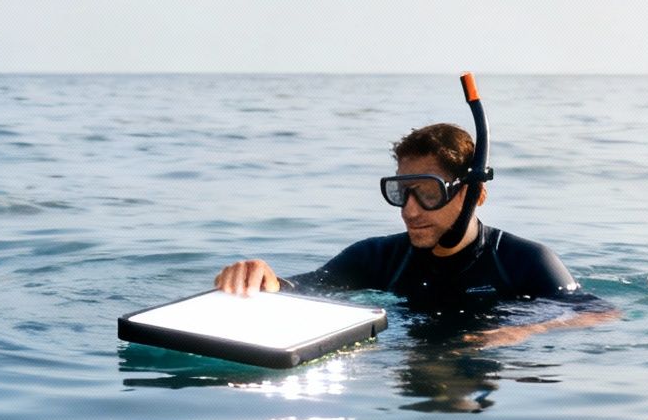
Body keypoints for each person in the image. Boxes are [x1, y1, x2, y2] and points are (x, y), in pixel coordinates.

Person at [214, 123, 615, 348]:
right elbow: (309, 287)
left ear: (475, 194)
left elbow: (600, 313)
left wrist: (524, 332)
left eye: (427, 193)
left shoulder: (523, 261)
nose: (410, 211)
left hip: (488, 369)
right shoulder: (377, 258)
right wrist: (265, 278)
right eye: (401, 193)